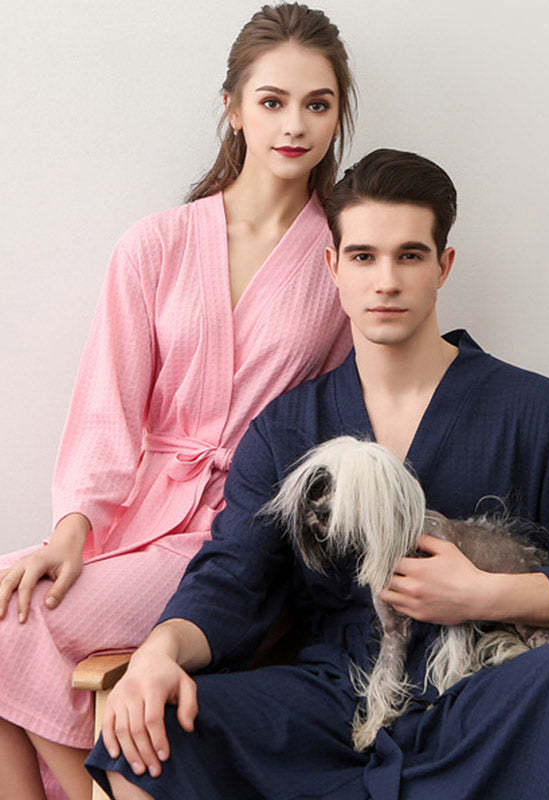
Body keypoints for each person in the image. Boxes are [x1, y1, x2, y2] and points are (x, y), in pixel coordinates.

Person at [86, 148, 549, 800]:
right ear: (332, 266)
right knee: (146, 737)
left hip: (490, 698)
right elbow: (232, 579)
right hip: (334, 701)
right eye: (363, 257)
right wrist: (157, 653)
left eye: (409, 256)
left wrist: (485, 596)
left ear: (443, 266)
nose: (385, 281)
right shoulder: (286, 428)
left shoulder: (540, 412)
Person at [0, 4, 356, 798]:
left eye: (318, 103)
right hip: (132, 517)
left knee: (20, 623)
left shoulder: (342, 259)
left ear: (338, 115)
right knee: (6, 603)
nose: (294, 124)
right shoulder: (156, 244)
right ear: (233, 108)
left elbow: (340, 427)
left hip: (242, 531)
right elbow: (107, 407)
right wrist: (71, 531)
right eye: (272, 101)